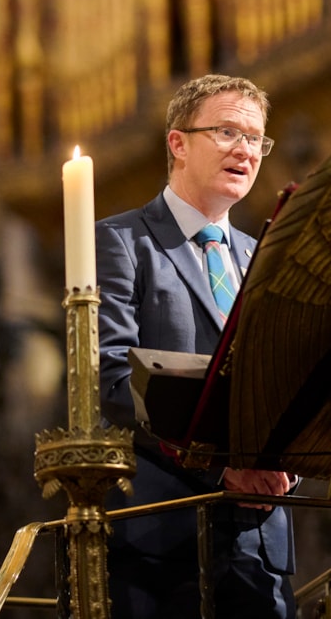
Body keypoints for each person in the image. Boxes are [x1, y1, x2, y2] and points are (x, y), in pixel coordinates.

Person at [96, 74, 296, 618]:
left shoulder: (267, 257)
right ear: (178, 143)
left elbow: (286, 381)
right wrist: (218, 468)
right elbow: (113, 380)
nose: (245, 151)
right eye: (227, 132)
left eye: (255, 138)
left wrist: (287, 464)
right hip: (162, 532)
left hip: (261, 534)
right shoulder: (122, 242)